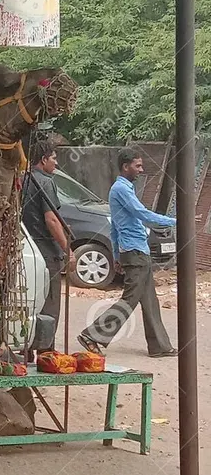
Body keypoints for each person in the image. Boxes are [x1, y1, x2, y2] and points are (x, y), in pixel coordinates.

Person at [78, 148, 176, 357]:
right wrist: (176, 221)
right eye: (137, 166)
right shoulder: (121, 189)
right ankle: (92, 335)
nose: (141, 170)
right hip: (135, 252)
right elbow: (141, 213)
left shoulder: (121, 189)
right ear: (125, 166)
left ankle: (160, 346)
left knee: (149, 300)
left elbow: (114, 227)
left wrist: (115, 256)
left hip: (135, 251)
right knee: (130, 299)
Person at [21, 135, 75, 352]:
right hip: (46, 252)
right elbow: (51, 219)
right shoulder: (45, 182)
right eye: (54, 158)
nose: (57, 163)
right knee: (50, 304)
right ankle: (46, 351)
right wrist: (68, 250)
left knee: (31, 302)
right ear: (43, 160)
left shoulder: (22, 181)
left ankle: (27, 348)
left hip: (27, 251)